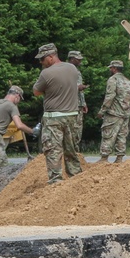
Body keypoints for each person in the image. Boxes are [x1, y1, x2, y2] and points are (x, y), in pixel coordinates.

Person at [32, 43, 82, 183]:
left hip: (53, 118)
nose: (41, 63)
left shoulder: (46, 73)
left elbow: (36, 92)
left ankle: (56, 182)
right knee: (71, 149)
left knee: (53, 150)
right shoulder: (72, 68)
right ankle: (77, 179)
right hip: (72, 116)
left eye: (42, 59)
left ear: (50, 57)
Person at [0, 85, 35, 171]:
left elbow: (6, 104)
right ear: (17, 96)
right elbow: (19, 125)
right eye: (19, 99)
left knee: (0, 163)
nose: (19, 101)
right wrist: (32, 131)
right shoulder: (12, 107)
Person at [98, 59, 130, 163]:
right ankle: (119, 158)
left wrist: (102, 111)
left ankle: (104, 159)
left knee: (108, 134)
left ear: (114, 69)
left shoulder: (113, 80)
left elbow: (110, 96)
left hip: (114, 113)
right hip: (125, 113)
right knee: (121, 136)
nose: (110, 69)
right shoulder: (128, 82)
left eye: (111, 68)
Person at [66, 50, 89, 148]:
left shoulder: (76, 71)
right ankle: (70, 149)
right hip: (70, 104)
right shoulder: (65, 70)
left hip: (78, 104)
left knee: (78, 129)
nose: (80, 61)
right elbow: (64, 86)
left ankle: (75, 149)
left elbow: (79, 90)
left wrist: (83, 103)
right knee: (71, 128)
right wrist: (78, 87)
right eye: (77, 59)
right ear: (71, 59)